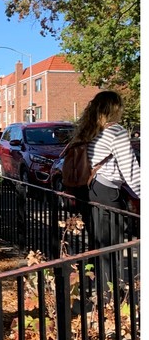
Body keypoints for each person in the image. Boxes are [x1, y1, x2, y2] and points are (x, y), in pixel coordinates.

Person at [71, 91, 140, 252]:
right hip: (107, 191)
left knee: (97, 242)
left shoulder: (89, 130)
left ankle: (97, 276)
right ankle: (109, 277)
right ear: (115, 108)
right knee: (111, 246)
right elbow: (130, 170)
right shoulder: (116, 131)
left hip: (88, 189)